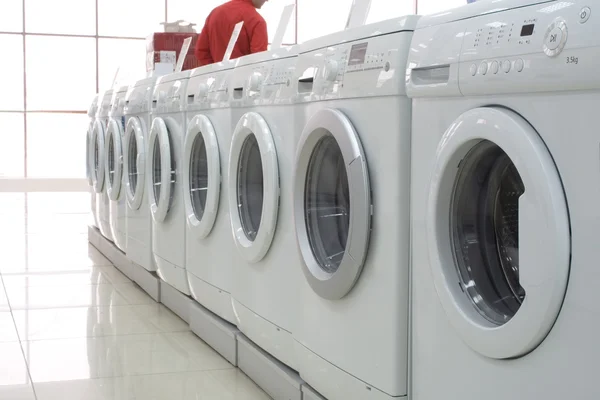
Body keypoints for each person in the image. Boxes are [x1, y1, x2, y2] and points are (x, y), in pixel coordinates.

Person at [195, 0, 269, 66]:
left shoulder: (214, 13)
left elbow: (201, 51)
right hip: (242, 78)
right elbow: (258, 60)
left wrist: (216, 70)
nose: (267, 1)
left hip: (217, 78)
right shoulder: (257, 21)